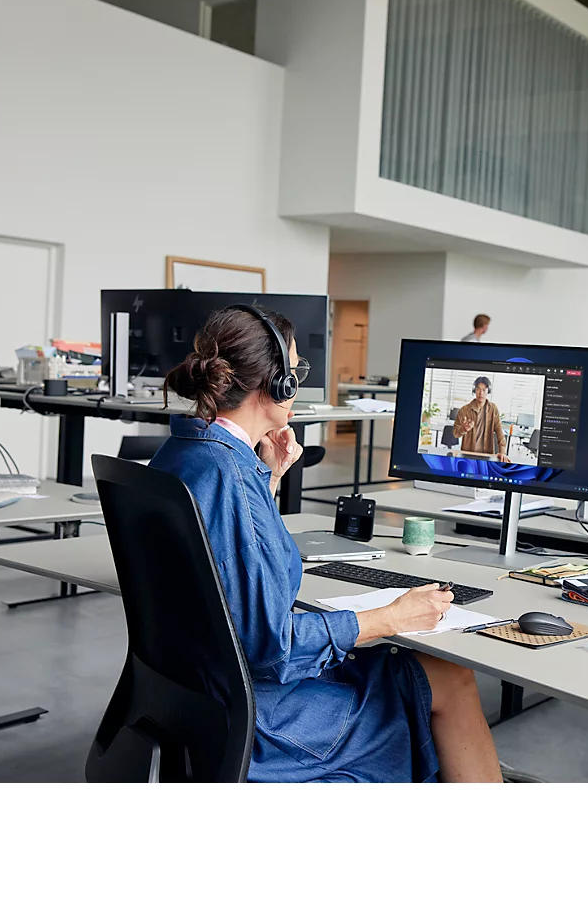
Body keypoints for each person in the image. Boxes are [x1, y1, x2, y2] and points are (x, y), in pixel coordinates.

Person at [152, 304, 502, 783]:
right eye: (295, 371)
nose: (297, 381)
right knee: (451, 677)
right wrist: (393, 616)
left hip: (199, 694)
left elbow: (225, 560)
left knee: (397, 660)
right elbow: (273, 649)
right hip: (266, 718)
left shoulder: (185, 452)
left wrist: (268, 481)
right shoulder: (229, 475)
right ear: (278, 384)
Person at [452, 375, 508, 461]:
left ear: (488, 391)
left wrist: (502, 452)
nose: (481, 393)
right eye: (478, 389)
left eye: (484, 390)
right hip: (467, 454)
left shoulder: (493, 409)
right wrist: (463, 429)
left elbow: (499, 433)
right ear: (474, 390)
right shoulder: (464, 410)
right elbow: (456, 433)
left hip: (487, 455)